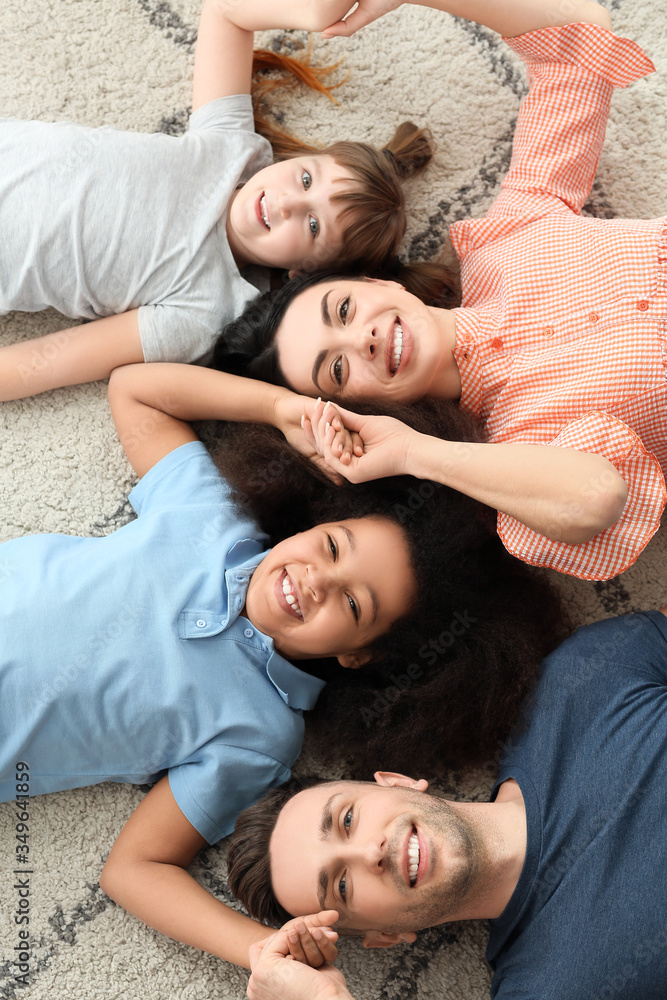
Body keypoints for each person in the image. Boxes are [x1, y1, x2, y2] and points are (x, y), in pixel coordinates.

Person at [0, 361, 562, 968]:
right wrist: (283, 411)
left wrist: (265, 954)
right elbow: (135, 392)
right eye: (331, 546)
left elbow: (135, 871)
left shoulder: (259, 736)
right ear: (320, 521)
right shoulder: (213, 515)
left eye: (351, 603)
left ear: (357, 653)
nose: (315, 581)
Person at [214, 0, 666, 582]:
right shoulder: (512, 453)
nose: (364, 340)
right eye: (337, 370)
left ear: (375, 281)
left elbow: (577, 37)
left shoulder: (507, 236)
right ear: (364, 412)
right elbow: (597, 498)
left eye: (345, 309)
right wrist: (410, 452)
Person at [0, 0, 432, 403]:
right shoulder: (231, 148)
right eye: (305, 178)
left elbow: (53, 360)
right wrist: (316, 13)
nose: (287, 205)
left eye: (314, 225)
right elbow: (227, 12)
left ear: (304, 272)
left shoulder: (205, 312)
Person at [229, 606, 667, 1000]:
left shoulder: (579, 683)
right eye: (341, 886)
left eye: (347, 819)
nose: (369, 853)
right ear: (387, 935)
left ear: (397, 781)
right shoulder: (543, 989)